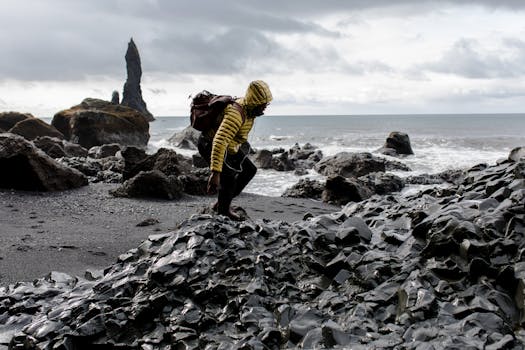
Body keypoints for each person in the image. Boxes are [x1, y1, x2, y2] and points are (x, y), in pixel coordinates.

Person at [197, 80, 273, 220]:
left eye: (266, 104)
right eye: (263, 104)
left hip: (229, 146)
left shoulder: (249, 109)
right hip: (210, 144)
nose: (265, 108)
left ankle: (222, 203)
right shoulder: (235, 114)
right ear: (255, 101)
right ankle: (223, 212)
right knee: (228, 178)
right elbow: (220, 141)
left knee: (249, 170)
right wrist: (215, 173)